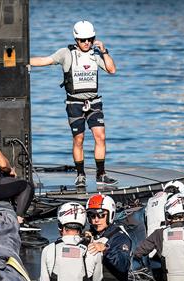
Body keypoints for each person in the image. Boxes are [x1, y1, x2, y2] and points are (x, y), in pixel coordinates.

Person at [30, 21, 117, 188]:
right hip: (74, 103)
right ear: (76, 39)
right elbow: (45, 60)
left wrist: (104, 52)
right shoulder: (66, 53)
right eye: (83, 40)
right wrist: (22, 60)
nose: (87, 43)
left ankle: (101, 174)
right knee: (79, 139)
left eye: (90, 39)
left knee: (101, 136)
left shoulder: (96, 54)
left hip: (94, 102)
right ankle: (80, 174)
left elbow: (112, 70)